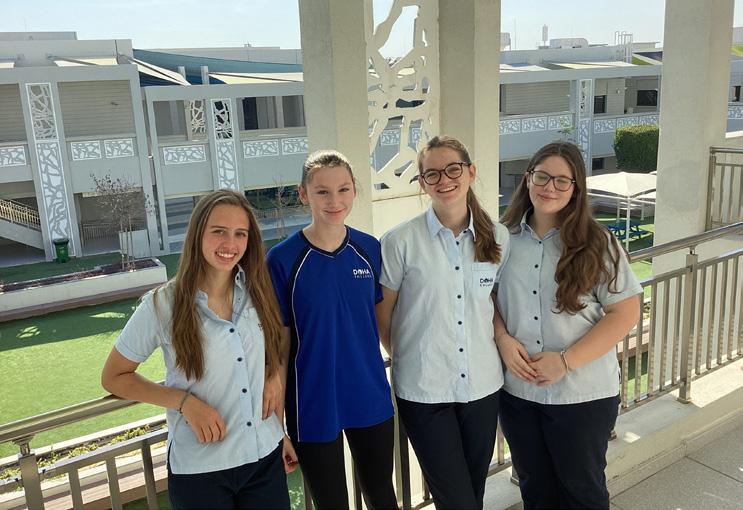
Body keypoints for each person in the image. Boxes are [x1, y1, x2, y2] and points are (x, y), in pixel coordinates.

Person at [101, 189, 296, 510]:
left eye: (240, 234)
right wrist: (184, 403)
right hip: (201, 471)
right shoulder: (162, 305)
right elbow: (114, 377)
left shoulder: (257, 292)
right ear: (197, 234)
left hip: (264, 457)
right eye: (219, 231)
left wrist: (279, 425)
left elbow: (270, 350)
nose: (230, 244)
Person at [495, 141, 642, 510]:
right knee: (535, 488)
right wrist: (501, 337)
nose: (550, 187)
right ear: (527, 178)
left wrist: (564, 361)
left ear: (576, 189)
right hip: (519, 393)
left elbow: (625, 313)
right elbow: (487, 298)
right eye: (542, 176)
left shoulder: (598, 243)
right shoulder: (501, 239)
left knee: (582, 492)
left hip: (582, 395)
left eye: (563, 181)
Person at [376, 135, 509, 510]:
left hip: (483, 387)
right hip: (425, 392)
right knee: (458, 501)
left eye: (453, 169)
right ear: (422, 183)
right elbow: (382, 314)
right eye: (432, 174)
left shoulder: (498, 237)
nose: (444, 180)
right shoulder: (400, 241)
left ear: (471, 172)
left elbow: (493, 300)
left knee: (472, 494)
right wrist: (412, 355)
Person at [267, 150, 397, 510]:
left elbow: (382, 323)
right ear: (304, 194)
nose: (334, 201)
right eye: (322, 191)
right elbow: (279, 348)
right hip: (312, 400)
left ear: (354, 191)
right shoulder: (282, 259)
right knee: (331, 504)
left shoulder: (369, 249)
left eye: (343, 189)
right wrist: (277, 426)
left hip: (369, 393)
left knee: (382, 496)